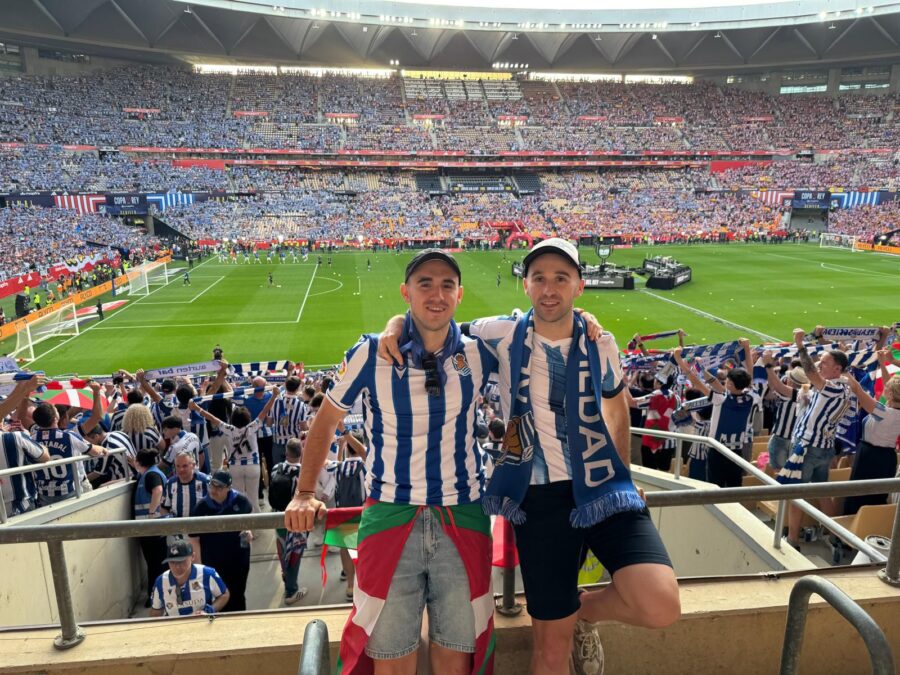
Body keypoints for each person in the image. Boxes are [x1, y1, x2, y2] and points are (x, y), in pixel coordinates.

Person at [379, 239, 679, 675]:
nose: (549, 289)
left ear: (579, 285)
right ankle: (568, 617)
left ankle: (583, 611)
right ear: (526, 285)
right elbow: (435, 321)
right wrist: (394, 323)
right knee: (551, 651)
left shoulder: (601, 343)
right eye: (539, 278)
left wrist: (626, 477)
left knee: (660, 603)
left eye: (561, 278)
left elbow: (617, 409)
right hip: (538, 499)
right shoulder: (500, 332)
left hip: (603, 489)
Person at [284, 249, 499, 675]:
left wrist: (584, 321)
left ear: (459, 295)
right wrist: (304, 492)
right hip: (389, 516)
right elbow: (326, 420)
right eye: (425, 284)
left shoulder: (479, 353)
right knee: (390, 657)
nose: (437, 294)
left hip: (463, 516)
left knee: (456, 656)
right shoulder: (370, 353)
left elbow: (537, 330)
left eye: (447, 285)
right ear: (405, 292)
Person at [780, 329, 853, 548]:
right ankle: (835, 535)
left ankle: (792, 540)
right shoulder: (844, 387)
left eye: (825, 362)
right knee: (822, 493)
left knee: (796, 494)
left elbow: (811, 373)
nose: (820, 365)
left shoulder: (834, 387)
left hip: (808, 448)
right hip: (824, 447)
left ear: (837, 369)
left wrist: (800, 345)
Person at [673, 340, 759, 488]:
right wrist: (746, 348)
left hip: (717, 450)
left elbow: (696, 382)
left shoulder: (721, 399)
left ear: (730, 384)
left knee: (715, 486)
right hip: (737, 450)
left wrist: (679, 360)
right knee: (734, 487)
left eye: (727, 380)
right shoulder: (752, 396)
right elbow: (749, 374)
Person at [842, 352, 900, 516]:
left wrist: (844, 369)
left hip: (869, 456)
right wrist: (882, 363)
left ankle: (851, 527)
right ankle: (871, 525)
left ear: (890, 394)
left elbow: (858, 390)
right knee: (877, 497)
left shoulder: (883, 412)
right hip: (887, 458)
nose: (884, 389)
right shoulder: (889, 409)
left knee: (857, 495)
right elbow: (891, 386)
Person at [190, 470, 253, 612]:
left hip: (238, 558)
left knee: (237, 593)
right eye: (212, 485)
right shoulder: (201, 507)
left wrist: (248, 531)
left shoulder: (241, 501)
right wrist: (199, 565)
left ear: (228, 488)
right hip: (213, 559)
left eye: (219, 487)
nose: (214, 490)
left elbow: (248, 522)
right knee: (217, 595)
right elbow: (194, 538)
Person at [270, 438, 308, 605]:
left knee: (282, 547)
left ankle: (286, 574)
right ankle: (291, 591)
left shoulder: (276, 468)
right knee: (295, 553)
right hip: (297, 519)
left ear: (286, 452)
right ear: (301, 453)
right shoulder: (303, 473)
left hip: (278, 516)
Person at [149, 538, 230, 617]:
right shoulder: (160, 582)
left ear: (192, 557)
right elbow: (156, 612)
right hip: (175, 625)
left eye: (182, 561)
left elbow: (224, 594)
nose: (177, 567)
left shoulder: (207, 574)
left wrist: (209, 611)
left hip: (203, 623)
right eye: (172, 562)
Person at [760, 354, 809, 472]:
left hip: (782, 438)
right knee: (791, 473)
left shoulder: (793, 393)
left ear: (791, 381)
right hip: (796, 439)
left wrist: (768, 365)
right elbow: (772, 390)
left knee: (779, 472)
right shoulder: (808, 394)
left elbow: (778, 386)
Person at [134, 449, 167, 606]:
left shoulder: (151, 475)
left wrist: (152, 513)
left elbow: (158, 490)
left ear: (138, 462)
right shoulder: (148, 473)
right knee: (156, 563)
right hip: (152, 527)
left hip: (152, 528)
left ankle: (155, 597)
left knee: (155, 564)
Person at [161, 451, 209, 519]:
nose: (181, 469)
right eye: (178, 466)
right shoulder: (170, 483)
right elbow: (164, 508)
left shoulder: (205, 481)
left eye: (185, 466)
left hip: (201, 524)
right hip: (177, 524)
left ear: (193, 465)